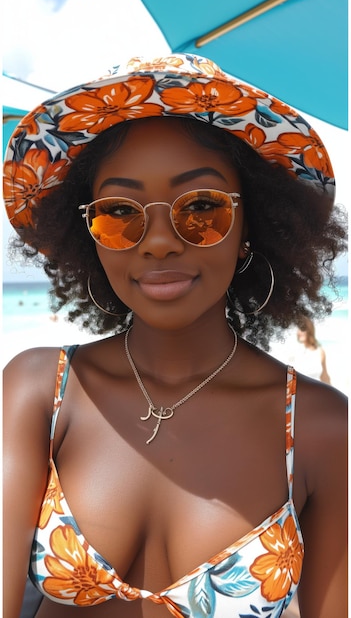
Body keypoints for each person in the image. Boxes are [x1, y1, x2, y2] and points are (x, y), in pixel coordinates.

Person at [3, 54, 347, 618]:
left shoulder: (321, 427)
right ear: (88, 236)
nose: (159, 241)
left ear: (251, 228)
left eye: (202, 208)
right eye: (118, 213)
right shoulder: (40, 389)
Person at [289, 316, 331, 384]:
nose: (299, 332)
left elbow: (325, 377)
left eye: (302, 329)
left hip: (316, 392)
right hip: (300, 392)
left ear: (309, 330)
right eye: (298, 329)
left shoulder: (320, 352)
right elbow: (289, 378)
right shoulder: (295, 351)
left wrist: (333, 393)